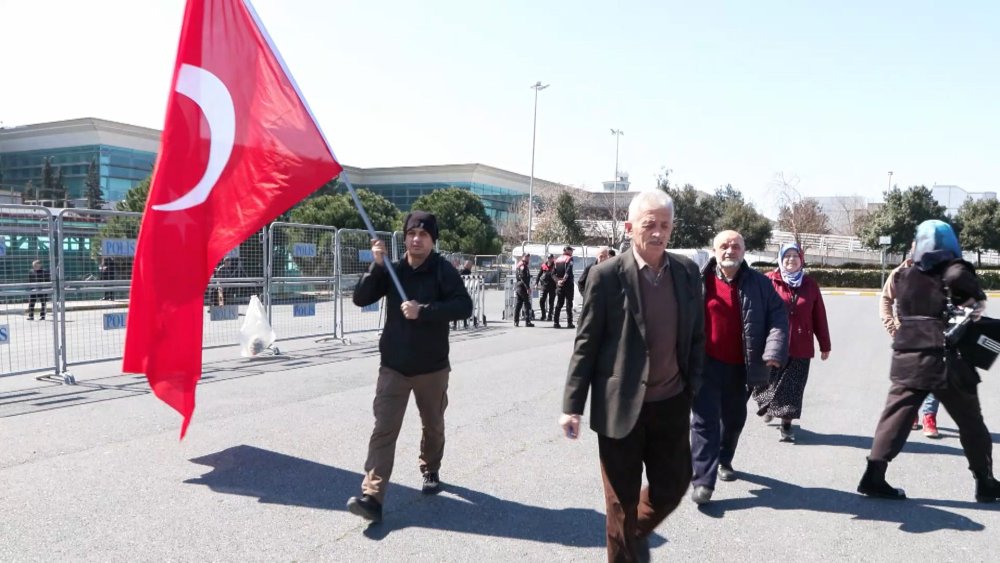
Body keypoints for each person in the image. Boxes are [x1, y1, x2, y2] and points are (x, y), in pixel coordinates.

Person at [561, 190, 705, 562]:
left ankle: (629, 533)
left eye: (665, 225)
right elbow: (586, 343)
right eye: (649, 225)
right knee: (620, 503)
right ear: (629, 228)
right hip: (619, 406)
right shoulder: (606, 276)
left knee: (673, 487)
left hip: (671, 403)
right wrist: (572, 406)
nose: (658, 233)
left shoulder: (687, 272)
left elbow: (695, 335)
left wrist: (694, 387)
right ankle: (624, 535)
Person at [857, 220, 1000, 503]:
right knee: (971, 423)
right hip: (947, 360)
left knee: (894, 418)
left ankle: (873, 476)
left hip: (907, 356)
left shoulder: (904, 275)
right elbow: (977, 305)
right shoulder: (957, 271)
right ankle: (984, 481)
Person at [346, 211, 474, 523]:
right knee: (383, 430)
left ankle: (430, 467)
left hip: (431, 368)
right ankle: (372, 497)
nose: (416, 239)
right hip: (393, 367)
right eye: (411, 234)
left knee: (433, 425)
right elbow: (360, 298)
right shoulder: (393, 269)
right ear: (404, 237)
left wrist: (424, 311)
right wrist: (377, 267)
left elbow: (464, 306)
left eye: (423, 235)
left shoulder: (443, 270)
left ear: (433, 240)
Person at [690, 230, 788, 505]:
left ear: (744, 250)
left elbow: (779, 317)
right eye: (724, 245)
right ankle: (702, 481)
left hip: (741, 367)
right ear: (714, 249)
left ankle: (724, 459)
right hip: (704, 364)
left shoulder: (760, 284)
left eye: (736, 245)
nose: (730, 250)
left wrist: (772, 351)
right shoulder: (698, 280)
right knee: (704, 421)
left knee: (733, 419)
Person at [751, 243, 831, 442]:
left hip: (800, 346)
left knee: (793, 388)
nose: (791, 260)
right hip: (771, 345)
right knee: (763, 384)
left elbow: (819, 316)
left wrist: (825, 344)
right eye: (787, 256)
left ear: (801, 260)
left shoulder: (810, 285)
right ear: (780, 258)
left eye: (795, 256)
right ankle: (769, 406)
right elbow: (754, 312)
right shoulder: (768, 280)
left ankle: (786, 424)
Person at [879, 246, 941, 438]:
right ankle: (911, 414)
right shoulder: (899, 273)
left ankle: (929, 416)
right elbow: (886, 299)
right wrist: (892, 327)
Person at [551, 246, 576, 329]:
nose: (572, 252)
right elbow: (568, 271)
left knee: (559, 303)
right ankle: (569, 323)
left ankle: (556, 322)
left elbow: (553, 273)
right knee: (569, 303)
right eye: (571, 250)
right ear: (567, 251)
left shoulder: (557, 260)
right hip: (568, 284)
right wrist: (564, 280)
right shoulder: (569, 258)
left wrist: (558, 281)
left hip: (559, 284)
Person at [513, 253, 535, 327]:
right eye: (526, 257)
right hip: (522, 287)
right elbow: (523, 278)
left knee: (519, 304)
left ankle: (516, 321)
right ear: (523, 257)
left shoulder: (522, 265)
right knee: (527, 304)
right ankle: (527, 321)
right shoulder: (522, 265)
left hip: (520, 286)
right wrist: (527, 288)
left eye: (528, 257)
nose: (528, 258)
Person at [536, 255, 556, 321]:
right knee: (542, 301)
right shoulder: (543, 265)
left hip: (553, 286)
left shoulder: (555, 266)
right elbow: (539, 275)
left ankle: (550, 315)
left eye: (551, 258)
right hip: (544, 286)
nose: (550, 259)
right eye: (549, 258)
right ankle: (543, 315)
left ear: (553, 259)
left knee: (551, 301)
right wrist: (536, 283)